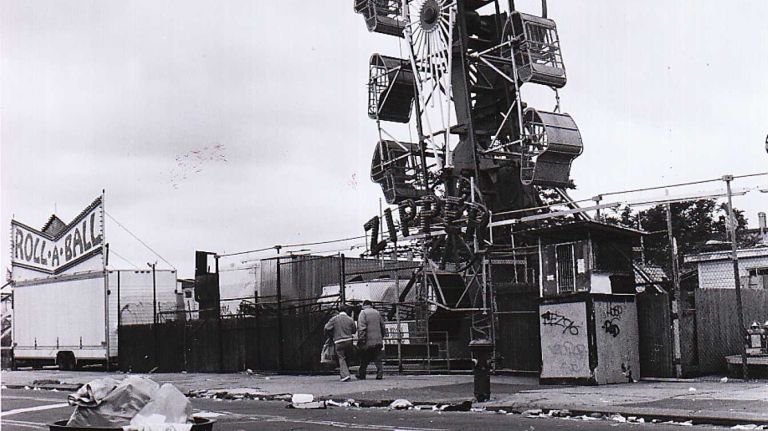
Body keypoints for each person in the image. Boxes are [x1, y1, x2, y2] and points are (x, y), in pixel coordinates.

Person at [324, 305, 356, 381]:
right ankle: (345, 372)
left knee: (341, 358)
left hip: (339, 341)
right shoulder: (350, 319)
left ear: (339, 310)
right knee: (347, 357)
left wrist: (330, 334)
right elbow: (354, 330)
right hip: (349, 340)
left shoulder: (334, 319)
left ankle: (345, 375)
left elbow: (326, 327)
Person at [356, 299, 386, 380]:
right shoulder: (377, 312)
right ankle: (380, 373)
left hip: (368, 340)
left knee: (364, 358)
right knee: (377, 358)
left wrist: (361, 339)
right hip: (378, 340)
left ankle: (362, 374)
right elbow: (382, 326)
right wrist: (382, 336)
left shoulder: (363, 313)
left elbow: (362, 328)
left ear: (364, 305)